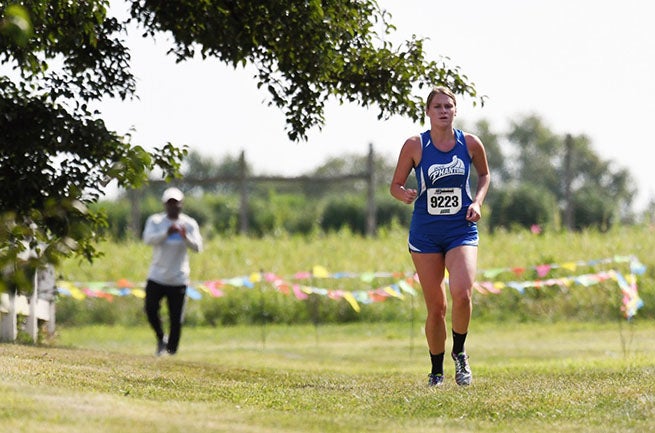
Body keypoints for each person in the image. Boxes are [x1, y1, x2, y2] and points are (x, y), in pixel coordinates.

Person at [390, 86, 490, 387]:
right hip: (426, 234)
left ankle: (459, 353)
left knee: (462, 293)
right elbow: (394, 184)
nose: (443, 111)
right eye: (437, 106)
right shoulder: (415, 145)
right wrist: (403, 194)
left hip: (461, 229)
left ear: (456, 110)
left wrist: (477, 202)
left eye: (448, 106)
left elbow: (485, 175)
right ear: (428, 112)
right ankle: (436, 371)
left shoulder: (470, 143)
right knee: (437, 308)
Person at [142, 187, 203, 356]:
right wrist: (166, 233)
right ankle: (161, 338)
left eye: (176, 203)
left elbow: (198, 247)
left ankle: (171, 351)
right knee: (150, 309)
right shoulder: (155, 221)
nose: (173, 206)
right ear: (164, 204)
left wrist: (185, 237)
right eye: (169, 203)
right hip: (157, 275)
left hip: (178, 277)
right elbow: (147, 239)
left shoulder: (189, 224)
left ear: (181, 204)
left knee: (176, 318)